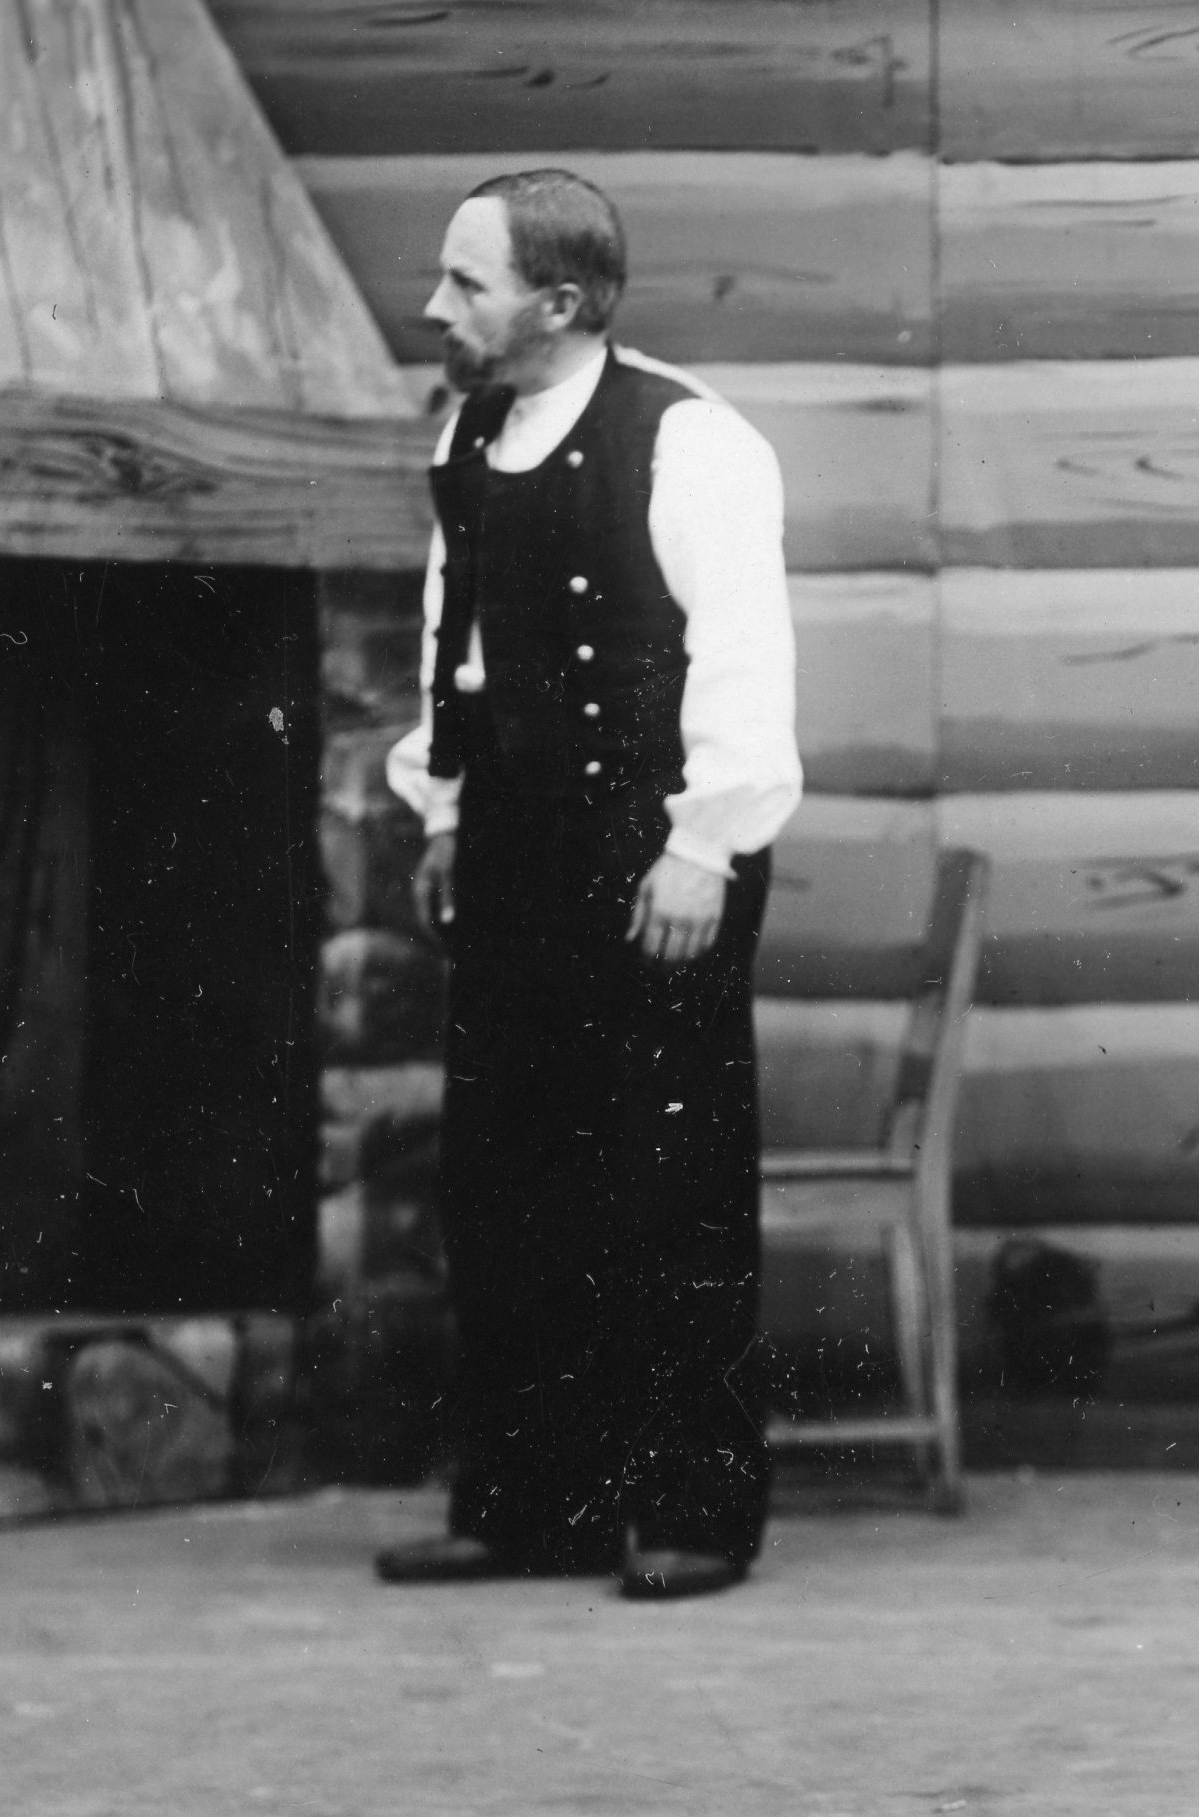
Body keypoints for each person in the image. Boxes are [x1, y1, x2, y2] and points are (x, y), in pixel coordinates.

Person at [374, 168, 801, 1602]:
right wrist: (445, 810)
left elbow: (743, 655)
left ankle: (694, 1511)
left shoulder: (689, 442)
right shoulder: (470, 431)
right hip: (511, 845)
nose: (434, 306)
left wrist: (704, 846)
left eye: (465, 283)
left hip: (654, 851)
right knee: (505, 1182)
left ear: (558, 303)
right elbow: (453, 638)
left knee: (667, 1187)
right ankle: (529, 1505)